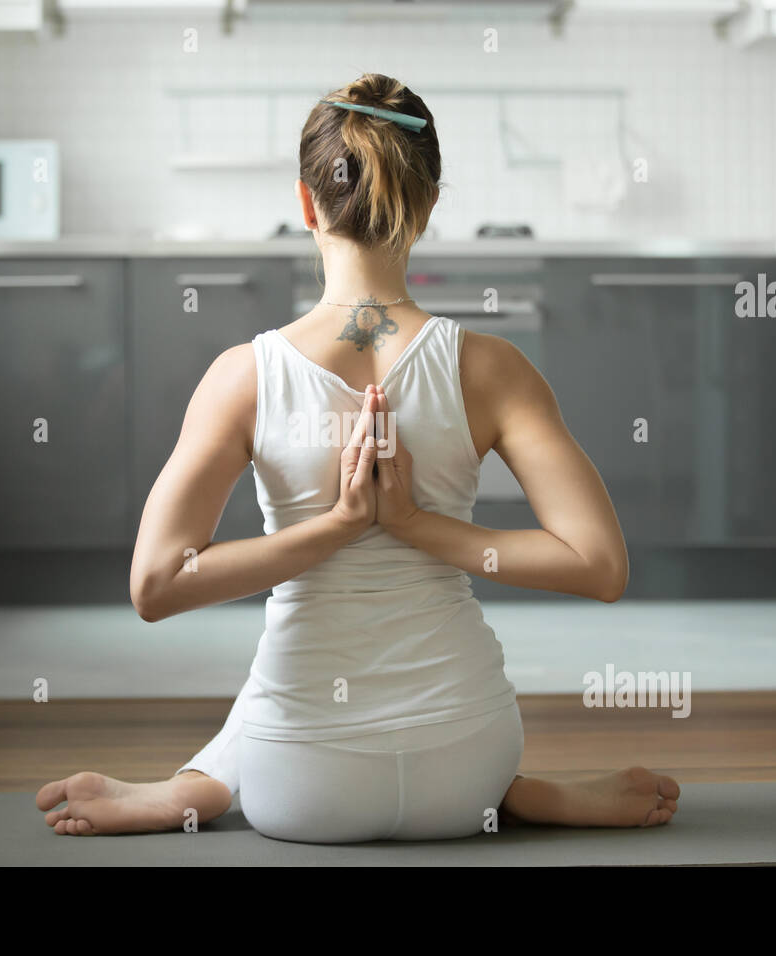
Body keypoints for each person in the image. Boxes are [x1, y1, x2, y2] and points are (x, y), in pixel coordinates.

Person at [37, 73, 680, 843]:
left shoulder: (246, 375)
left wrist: (337, 527)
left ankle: (197, 785)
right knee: (440, 719)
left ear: (306, 205)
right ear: (430, 204)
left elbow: (155, 585)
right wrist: (416, 525)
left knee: (281, 666)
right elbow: (601, 565)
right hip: (466, 767)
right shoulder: (493, 368)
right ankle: (515, 793)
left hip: (300, 785)